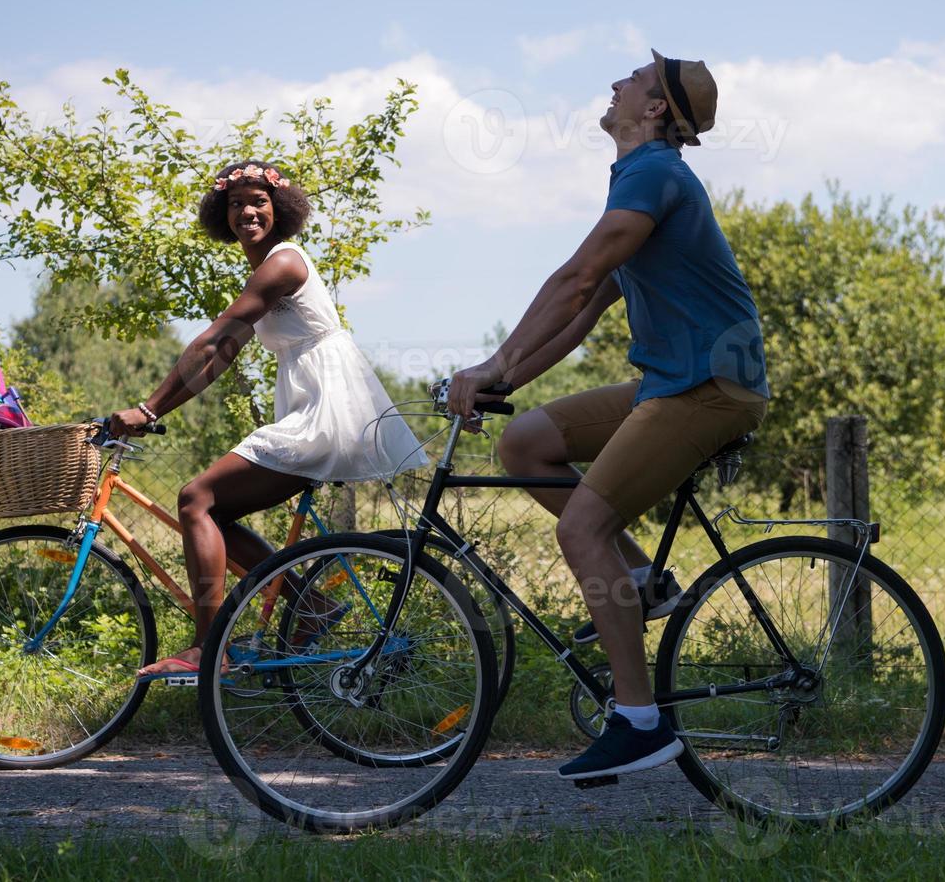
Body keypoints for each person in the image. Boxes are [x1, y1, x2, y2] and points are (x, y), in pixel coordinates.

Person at [447, 51, 770, 781]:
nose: (616, 84)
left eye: (632, 79)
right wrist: (502, 382)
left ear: (655, 108)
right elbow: (583, 314)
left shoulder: (654, 175)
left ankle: (639, 720)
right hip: (674, 380)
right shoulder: (636, 181)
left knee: (579, 525)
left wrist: (491, 364)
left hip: (710, 386)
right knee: (526, 441)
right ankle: (643, 582)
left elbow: (574, 277)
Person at [110, 161, 427, 678]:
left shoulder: (284, 264)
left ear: (280, 209)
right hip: (320, 408)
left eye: (258, 201)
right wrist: (156, 408)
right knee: (213, 512)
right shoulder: (264, 272)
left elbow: (213, 340)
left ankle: (208, 651)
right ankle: (311, 604)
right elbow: (222, 354)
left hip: (329, 411)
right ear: (222, 214)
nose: (247, 212)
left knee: (196, 499)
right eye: (236, 204)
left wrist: (146, 410)